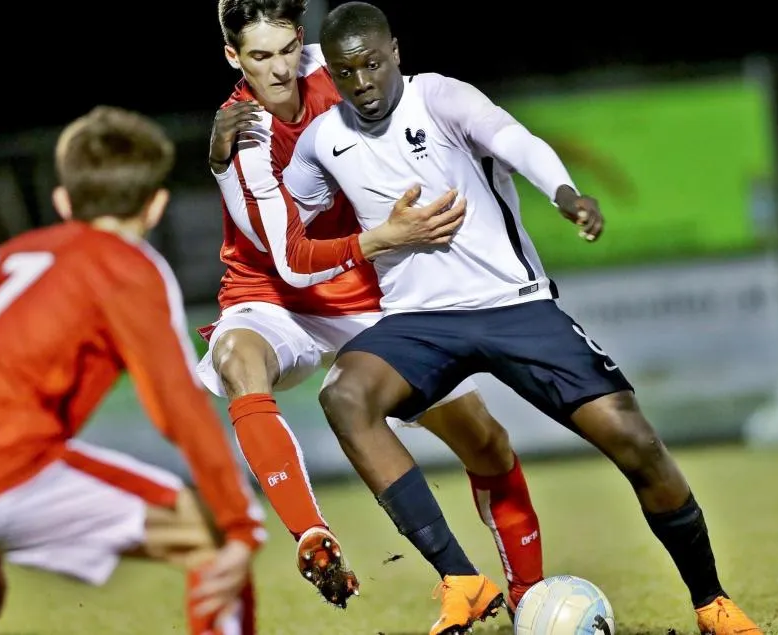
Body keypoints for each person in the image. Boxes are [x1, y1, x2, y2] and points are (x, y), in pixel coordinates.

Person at [277, 3, 766, 635]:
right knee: (345, 396)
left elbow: (516, 142)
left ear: (395, 50)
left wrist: (565, 194)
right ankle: (461, 578)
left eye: (372, 64)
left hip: (513, 304)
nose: (363, 82)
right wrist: (232, 160)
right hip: (420, 320)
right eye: (347, 73)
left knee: (633, 438)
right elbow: (291, 218)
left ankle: (711, 604)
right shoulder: (323, 140)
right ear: (334, 77)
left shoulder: (442, 99)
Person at [198, 0, 546, 618]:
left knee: (486, 443)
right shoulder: (241, 134)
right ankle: (313, 534)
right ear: (232, 57)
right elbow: (287, 259)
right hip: (274, 292)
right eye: (258, 57)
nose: (278, 70)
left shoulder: (342, 70)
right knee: (235, 360)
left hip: (370, 292)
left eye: (285, 51)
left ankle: (528, 601)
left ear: (299, 39)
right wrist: (388, 235)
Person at [0, 106, 263, 635]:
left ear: (62, 201)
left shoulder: (7, 257)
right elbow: (177, 405)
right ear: (156, 207)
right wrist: (240, 523)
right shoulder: (127, 265)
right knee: (213, 539)